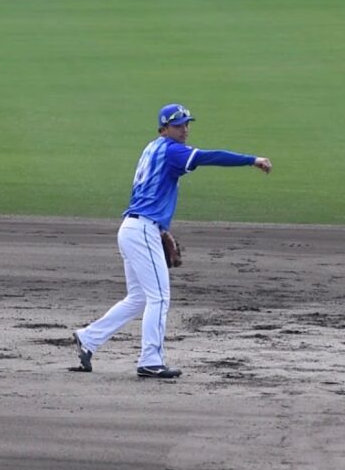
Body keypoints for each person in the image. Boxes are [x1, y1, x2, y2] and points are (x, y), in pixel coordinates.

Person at [70, 103, 272, 379]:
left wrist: (161, 230)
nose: (185, 130)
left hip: (133, 228)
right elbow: (209, 156)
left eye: (187, 124)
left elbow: (148, 191)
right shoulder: (172, 150)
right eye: (178, 125)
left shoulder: (151, 148)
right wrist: (251, 160)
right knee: (159, 297)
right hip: (141, 230)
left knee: (139, 298)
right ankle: (150, 360)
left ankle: (89, 338)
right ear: (163, 129)